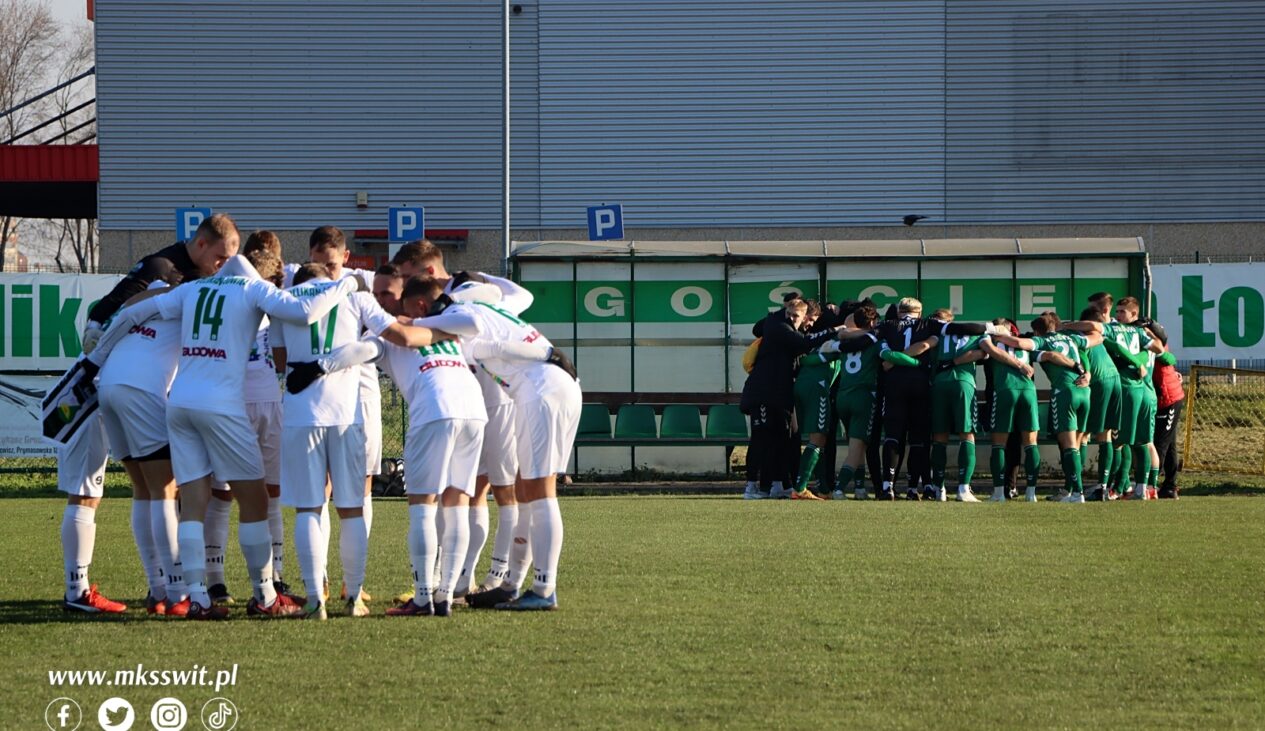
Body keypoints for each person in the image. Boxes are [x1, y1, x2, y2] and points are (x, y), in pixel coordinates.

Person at [85, 251, 359, 619]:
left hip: (180, 402)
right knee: (255, 501)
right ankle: (265, 597)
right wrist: (349, 283)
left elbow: (134, 313)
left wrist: (96, 357)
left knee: (194, 502)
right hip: (221, 404)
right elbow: (305, 312)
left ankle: (196, 597)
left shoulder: (194, 288)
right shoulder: (251, 288)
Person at [399, 277, 581, 611]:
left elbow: (471, 327)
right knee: (530, 489)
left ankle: (544, 590)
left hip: (540, 389)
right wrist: (548, 351)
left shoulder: (465, 315)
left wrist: (418, 322)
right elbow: (517, 296)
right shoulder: (494, 305)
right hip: (553, 385)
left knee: (540, 490)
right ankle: (514, 584)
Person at [95, 280, 186, 614]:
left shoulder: (154, 295)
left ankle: (157, 589)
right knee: (165, 489)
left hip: (110, 385)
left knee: (144, 490)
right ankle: (176, 593)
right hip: (141, 388)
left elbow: (134, 300)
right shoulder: (188, 296)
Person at [873, 298, 987, 500]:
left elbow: (884, 354)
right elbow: (950, 334)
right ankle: (919, 488)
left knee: (893, 436)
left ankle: (886, 487)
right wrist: (991, 328)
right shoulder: (927, 323)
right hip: (922, 384)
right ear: (919, 312)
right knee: (920, 438)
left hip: (894, 385)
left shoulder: (886, 325)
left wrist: (895, 360)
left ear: (900, 311)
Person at [82, 214, 239, 352]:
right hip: (136, 359)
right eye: (221, 257)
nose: (224, 265)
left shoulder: (213, 273)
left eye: (229, 259)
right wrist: (94, 329)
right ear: (201, 244)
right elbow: (114, 301)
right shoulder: (161, 266)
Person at [990, 313, 1101, 502]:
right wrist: (1085, 370)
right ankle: (1047, 492)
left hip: (1064, 392)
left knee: (1067, 446)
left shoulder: (1039, 341)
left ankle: (1076, 493)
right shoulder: (1071, 338)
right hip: (1084, 391)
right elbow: (1098, 336)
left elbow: (1028, 347)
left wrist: (998, 336)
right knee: (1077, 442)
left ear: (1037, 331)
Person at [741, 297, 838, 500]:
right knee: (763, 439)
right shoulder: (779, 326)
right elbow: (798, 341)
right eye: (794, 315)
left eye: (801, 317)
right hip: (764, 391)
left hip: (781, 393)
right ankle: (754, 487)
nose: (806, 323)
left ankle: (779, 484)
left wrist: (831, 312)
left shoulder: (795, 331)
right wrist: (834, 330)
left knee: (784, 438)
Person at [928, 309, 989, 502]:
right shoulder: (974, 333)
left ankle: (939, 489)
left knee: (939, 436)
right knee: (967, 434)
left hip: (939, 383)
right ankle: (963, 488)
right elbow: (985, 352)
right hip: (963, 383)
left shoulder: (935, 335)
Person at [1152, 334, 1184, 499]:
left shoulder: (1154, 343)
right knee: (1169, 443)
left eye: (1122, 312)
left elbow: (1168, 359)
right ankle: (1169, 486)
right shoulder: (1153, 343)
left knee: (1160, 444)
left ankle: (1150, 485)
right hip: (1165, 398)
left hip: (1168, 399)